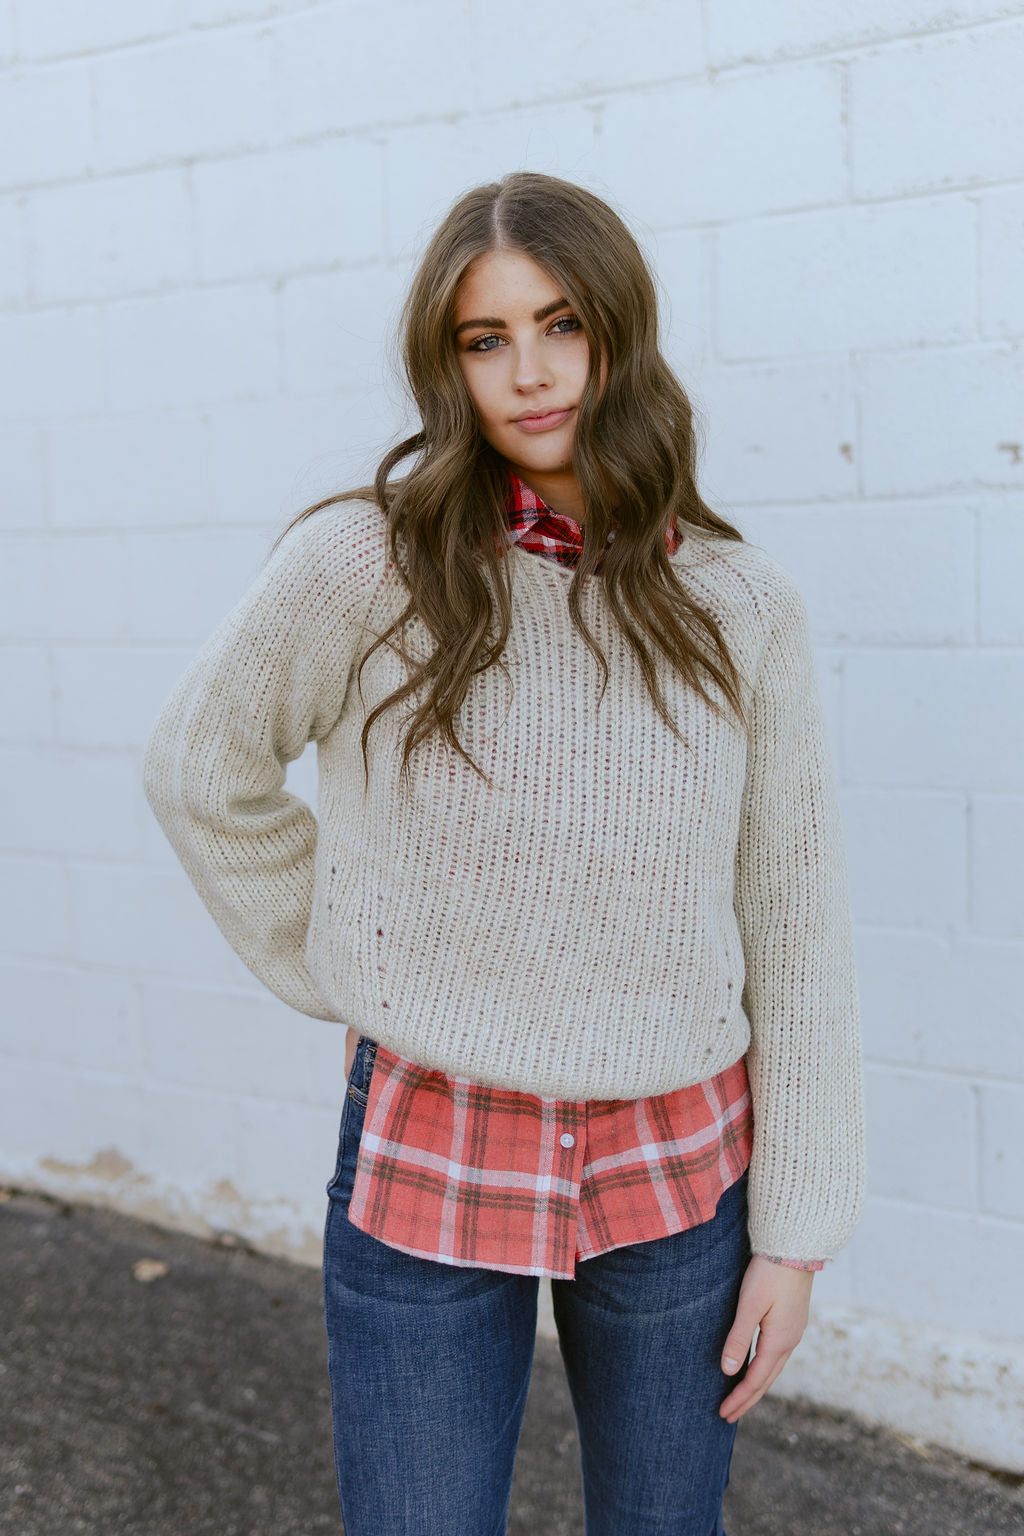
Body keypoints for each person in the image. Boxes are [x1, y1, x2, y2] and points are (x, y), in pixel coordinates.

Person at [143, 171, 865, 1536]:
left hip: (676, 1159)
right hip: (434, 1135)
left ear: (622, 337)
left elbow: (798, 925)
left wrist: (797, 1238)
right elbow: (199, 768)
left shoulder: (740, 607)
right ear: (447, 361)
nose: (529, 373)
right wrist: (342, 955)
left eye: (563, 325)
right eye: (486, 340)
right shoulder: (366, 566)